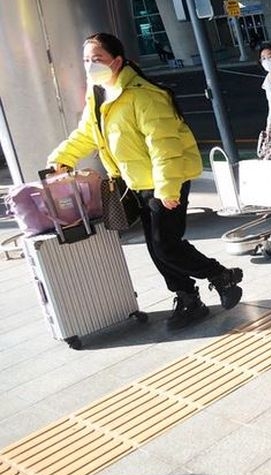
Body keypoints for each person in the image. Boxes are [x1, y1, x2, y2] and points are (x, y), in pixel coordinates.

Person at [48, 33, 244, 331]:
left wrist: (167, 189)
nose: (89, 66)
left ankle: (220, 276)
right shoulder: (98, 93)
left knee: (165, 245)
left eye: (97, 59)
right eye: (86, 60)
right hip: (134, 182)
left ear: (116, 61)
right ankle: (187, 297)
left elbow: (164, 145)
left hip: (164, 180)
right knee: (156, 248)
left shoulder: (144, 95)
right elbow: (87, 133)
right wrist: (63, 156)